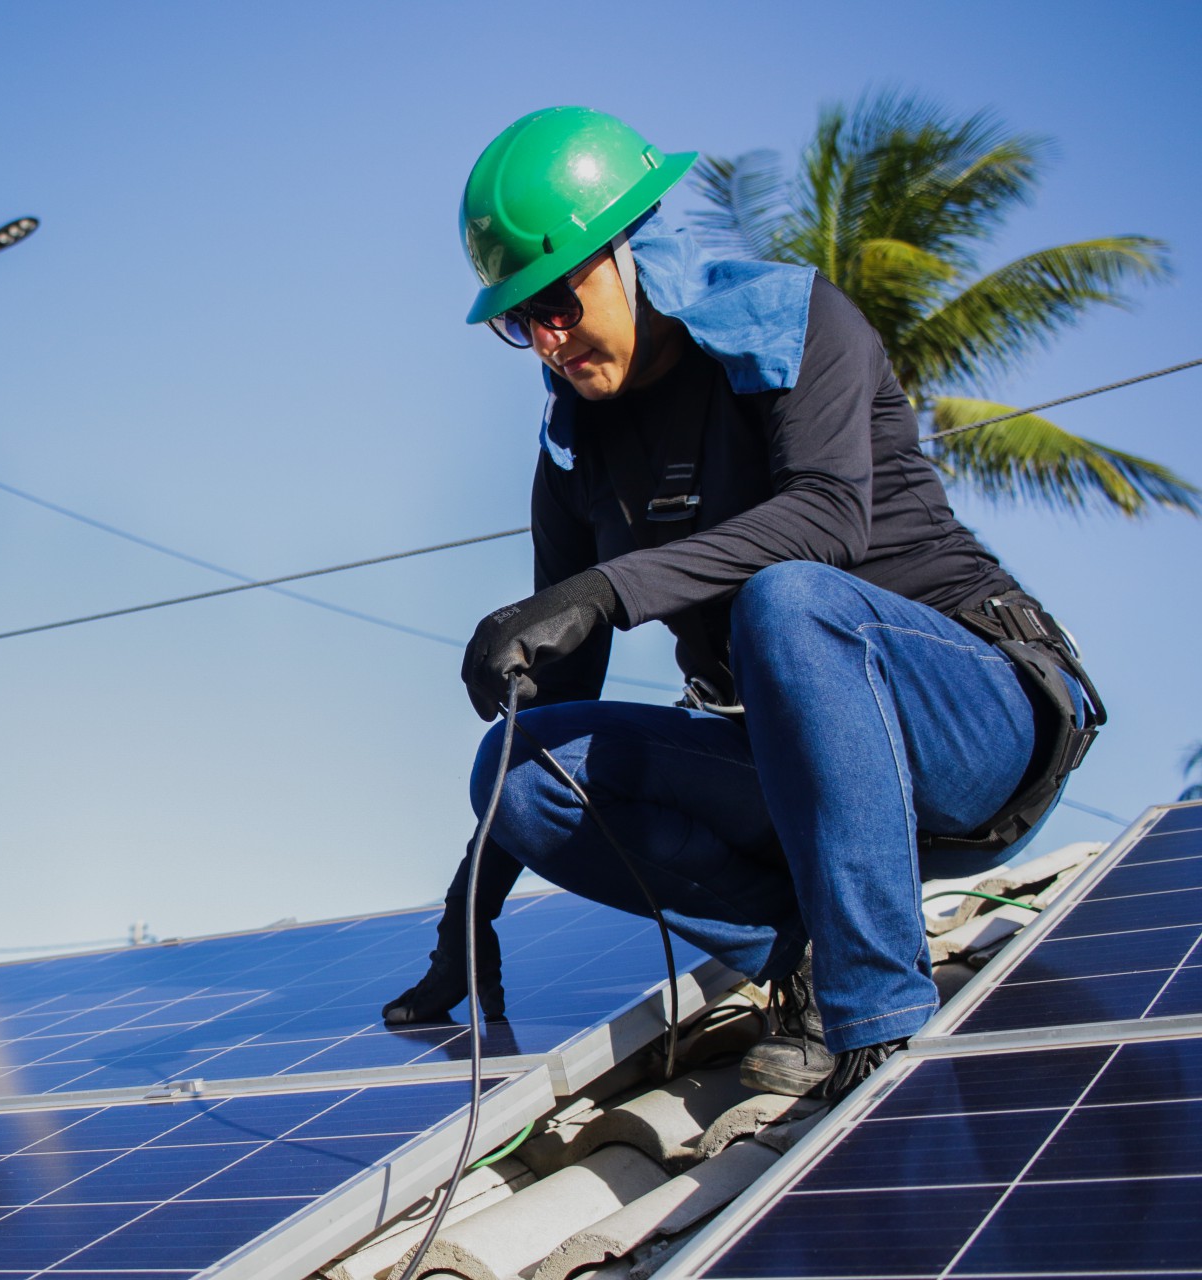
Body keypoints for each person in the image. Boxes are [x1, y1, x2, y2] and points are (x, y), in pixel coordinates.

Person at [382, 108, 1102, 1100]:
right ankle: (799, 944)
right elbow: (559, 695)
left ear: (631, 255)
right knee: (521, 773)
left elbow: (829, 517)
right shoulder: (577, 450)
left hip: (976, 725)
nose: (548, 340)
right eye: (519, 323)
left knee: (787, 603)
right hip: (798, 777)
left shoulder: (796, 323)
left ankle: (879, 1021)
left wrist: (606, 589)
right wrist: (472, 907)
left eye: (557, 303)